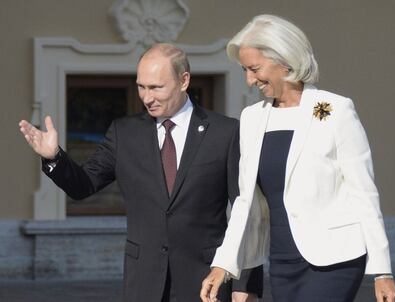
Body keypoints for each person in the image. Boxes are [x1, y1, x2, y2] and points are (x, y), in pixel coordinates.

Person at [19, 43, 262, 302]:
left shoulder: (225, 132)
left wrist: (245, 285)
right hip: (144, 283)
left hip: (207, 282)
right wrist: (54, 157)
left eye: (156, 87)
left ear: (184, 81)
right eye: (141, 86)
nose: (147, 97)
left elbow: (246, 211)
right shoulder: (124, 133)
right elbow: (83, 185)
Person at [200, 15, 395, 302]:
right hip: (283, 260)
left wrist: (382, 272)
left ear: (285, 60)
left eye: (254, 68)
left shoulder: (335, 110)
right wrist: (223, 264)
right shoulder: (252, 118)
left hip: (336, 259)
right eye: (244, 70)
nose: (249, 79)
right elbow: (245, 202)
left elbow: (363, 193)